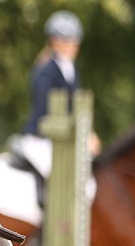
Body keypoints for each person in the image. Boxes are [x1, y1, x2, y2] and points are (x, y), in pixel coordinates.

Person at [14, 10, 85, 182]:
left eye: (74, 41)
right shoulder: (45, 72)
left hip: (62, 139)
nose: (72, 46)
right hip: (41, 139)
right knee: (59, 178)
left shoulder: (71, 69)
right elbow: (45, 110)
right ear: (54, 41)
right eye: (66, 41)